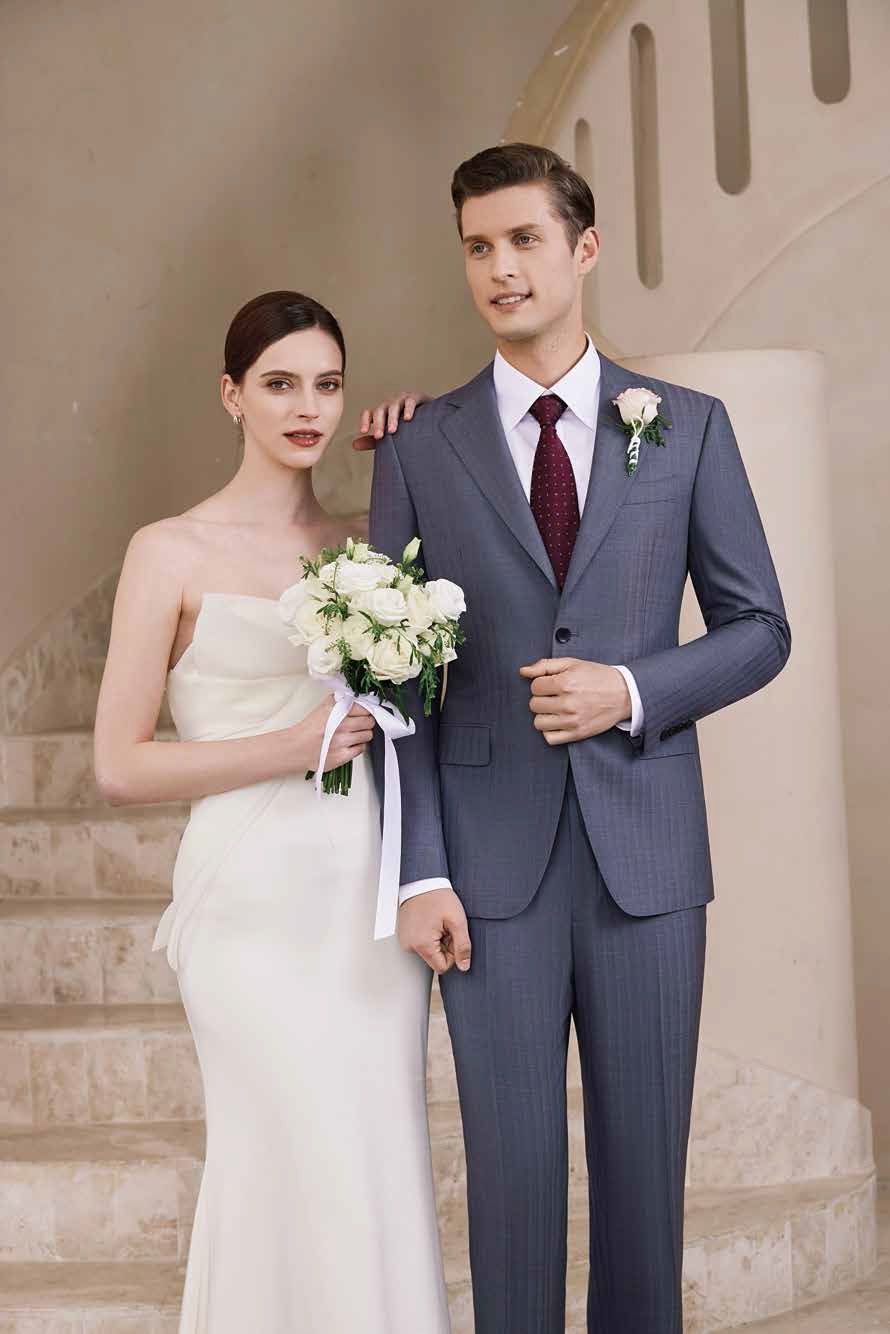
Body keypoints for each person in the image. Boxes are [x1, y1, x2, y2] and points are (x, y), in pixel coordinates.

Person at [361, 143, 792, 1334]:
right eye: (477, 246)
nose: (499, 268)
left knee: (644, 1184)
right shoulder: (417, 445)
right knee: (507, 1188)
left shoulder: (685, 427)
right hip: (483, 872)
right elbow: (396, 681)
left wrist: (630, 688)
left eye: (523, 239)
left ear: (582, 247)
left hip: (645, 860)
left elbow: (759, 627)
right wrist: (419, 867)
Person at [92, 290, 450, 1334]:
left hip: (361, 899)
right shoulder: (167, 550)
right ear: (231, 395)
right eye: (280, 384)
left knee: (370, 1159)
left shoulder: (368, 545)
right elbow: (118, 765)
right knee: (279, 1158)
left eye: (327, 385)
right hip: (246, 903)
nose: (307, 408)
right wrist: (290, 749)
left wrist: (420, 447)